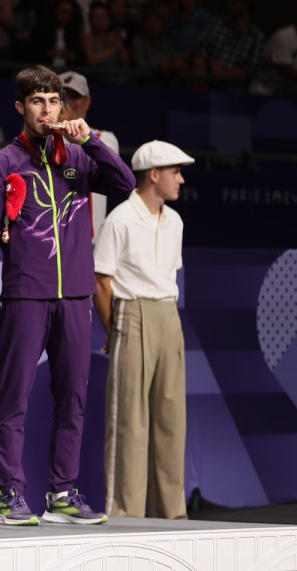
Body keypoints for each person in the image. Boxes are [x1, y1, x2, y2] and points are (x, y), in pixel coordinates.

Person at [0, 65, 134, 527]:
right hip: (27, 294)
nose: (47, 110)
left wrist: (92, 143)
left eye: (54, 101)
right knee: (14, 397)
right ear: (21, 107)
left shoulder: (79, 159)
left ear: (64, 107)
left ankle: (62, 492)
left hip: (75, 296)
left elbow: (124, 184)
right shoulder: (5, 162)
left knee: (73, 397)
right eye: (38, 102)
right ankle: (11, 497)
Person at [94, 140, 193, 520]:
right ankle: (125, 514)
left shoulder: (175, 221)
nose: (181, 180)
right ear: (154, 175)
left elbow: (167, 275)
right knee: (129, 420)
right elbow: (101, 280)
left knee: (172, 418)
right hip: (131, 313)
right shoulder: (120, 218)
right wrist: (113, 329)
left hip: (168, 314)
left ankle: (173, 515)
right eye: (175, 172)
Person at [58, 71, 120, 240]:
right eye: (63, 96)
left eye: (74, 96)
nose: (68, 102)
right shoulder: (45, 139)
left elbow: (94, 163)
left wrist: (70, 126)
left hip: (90, 243)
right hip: (51, 241)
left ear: (87, 102)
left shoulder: (104, 138)